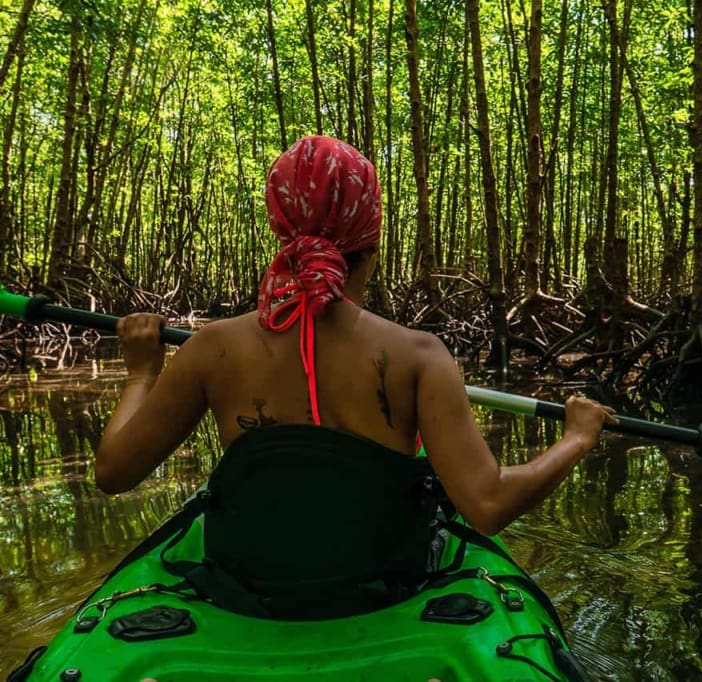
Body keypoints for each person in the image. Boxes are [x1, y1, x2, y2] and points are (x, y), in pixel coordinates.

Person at [95, 135, 616, 537]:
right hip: (382, 583)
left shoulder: (211, 348)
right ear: (370, 241)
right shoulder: (419, 356)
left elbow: (114, 473)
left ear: (281, 228)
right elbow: (489, 506)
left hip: (253, 584)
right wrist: (576, 437)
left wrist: (142, 370)